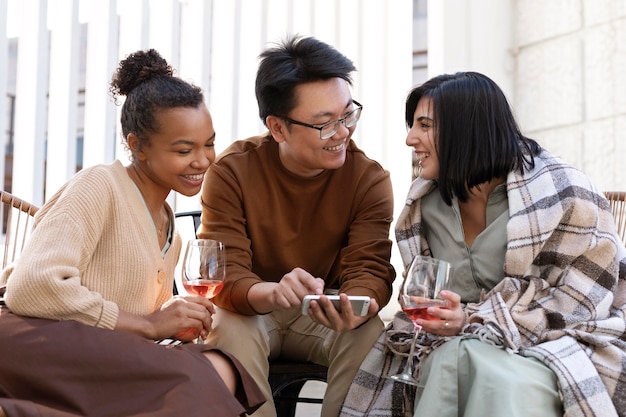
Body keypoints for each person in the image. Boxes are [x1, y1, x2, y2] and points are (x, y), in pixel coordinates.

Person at [340, 72, 626, 417]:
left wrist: (473, 322)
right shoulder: (427, 206)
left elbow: (580, 306)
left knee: (470, 367)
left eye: (425, 126)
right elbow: (430, 295)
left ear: (469, 130)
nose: (410, 139)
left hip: (557, 341)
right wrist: (450, 320)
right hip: (456, 346)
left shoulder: (565, 195)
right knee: (451, 359)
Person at [0, 49, 264, 417]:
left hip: (89, 347)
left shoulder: (169, 226)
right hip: (28, 337)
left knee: (221, 368)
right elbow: (32, 287)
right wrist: (149, 324)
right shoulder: (99, 184)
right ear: (137, 145)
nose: (203, 160)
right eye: (184, 149)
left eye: (208, 144)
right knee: (192, 377)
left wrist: (167, 315)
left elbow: (117, 309)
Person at [198, 35, 396, 417]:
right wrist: (271, 292)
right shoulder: (232, 171)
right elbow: (224, 272)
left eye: (348, 114)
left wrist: (357, 303)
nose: (342, 132)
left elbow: (369, 267)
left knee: (368, 333)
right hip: (251, 312)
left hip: (326, 315)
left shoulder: (368, 179)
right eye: (325, 124)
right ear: (278, 127)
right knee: (229, 327)